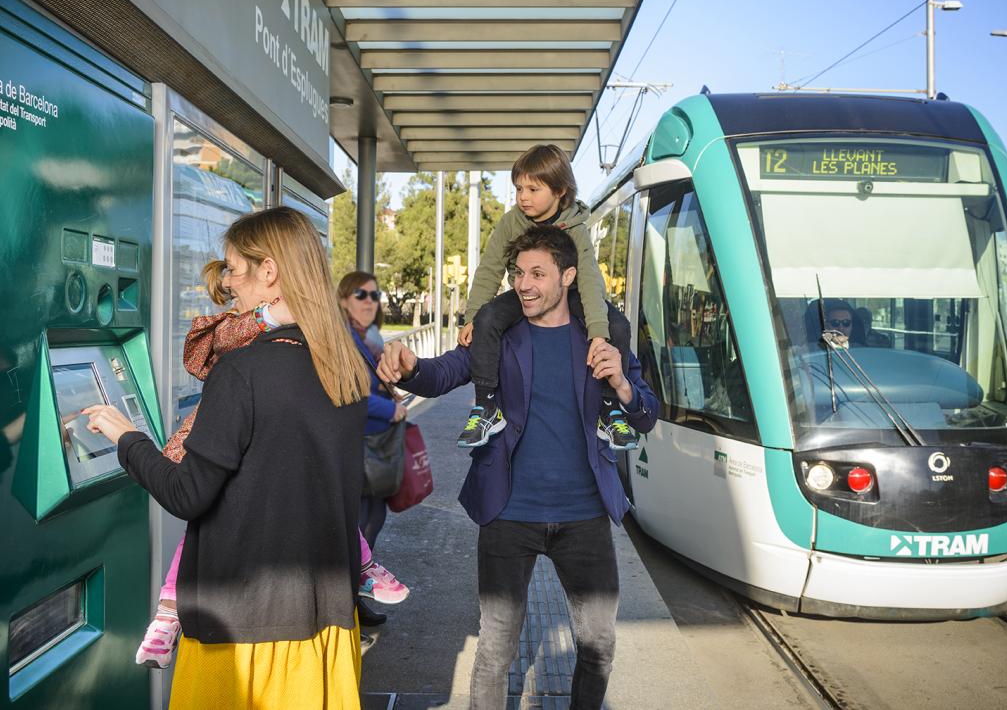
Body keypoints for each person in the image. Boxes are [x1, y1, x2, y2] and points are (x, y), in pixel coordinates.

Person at [84, 207, 372, 709]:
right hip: (327, 624)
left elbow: (187, 494)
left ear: (269, 272)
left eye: (234, 269)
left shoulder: (242, 372)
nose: (228, 284)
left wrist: (128, 438)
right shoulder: (344, 366)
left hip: (242, 633)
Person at [378, 225, 660, 710]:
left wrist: (623, 386)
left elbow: (648, 415)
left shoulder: (600, 335)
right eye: (517, 273)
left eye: (537, 274)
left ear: (568, 277)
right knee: (496, 649)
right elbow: (445, 372)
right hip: (508, 512)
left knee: (598, 646)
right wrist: (411, 368)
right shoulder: (499, 333)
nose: (523, 285)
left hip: (585, 516)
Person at [457, 144, 637, 451]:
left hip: (570, 293)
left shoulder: (575, 226)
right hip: (524, 293)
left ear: (559, 190)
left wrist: (598, 333)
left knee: (617, 326)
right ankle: (485, 405)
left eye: (533, 189)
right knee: (487, 319)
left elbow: (590, 279)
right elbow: (489, 270)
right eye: (518, 189)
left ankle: (609, 410)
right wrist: (472, 316)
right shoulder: (510, 222)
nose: (523, 197)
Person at [338, 271, 411, 626]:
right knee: (360, 525)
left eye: (374, 295)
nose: (369, 301)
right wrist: (390, 408)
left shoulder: (368, 336)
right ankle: (350, 603)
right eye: (360, 294)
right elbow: (350, 394)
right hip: (358, 442)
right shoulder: (345, 339)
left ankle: (357, 597)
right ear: (343, 300)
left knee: (372, 519)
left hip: (375, 444)